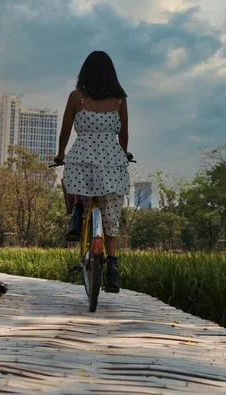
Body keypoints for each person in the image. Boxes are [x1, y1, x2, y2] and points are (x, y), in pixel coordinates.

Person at [54, 50, 131, 293]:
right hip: (112, 162)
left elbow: (66, 131)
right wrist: (124, 152)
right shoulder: (120, 99)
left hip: (81, 159)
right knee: (110, 218)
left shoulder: (77, 97)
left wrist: (60, 154)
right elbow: (124, 134)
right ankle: (112, 270)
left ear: (84, 72)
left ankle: (77, 216)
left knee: (72, 183)